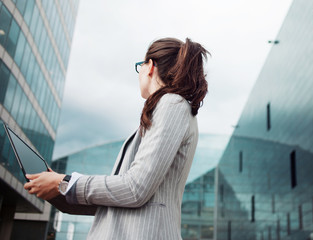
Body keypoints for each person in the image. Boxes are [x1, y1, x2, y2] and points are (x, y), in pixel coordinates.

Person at [24, 37, 209, 239]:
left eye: (140, 66)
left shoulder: (172, 104)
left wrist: (66, 182)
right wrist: (59, 188)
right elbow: (118, 200)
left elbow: (135, 189)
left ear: (150, 67)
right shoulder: (166, 108)